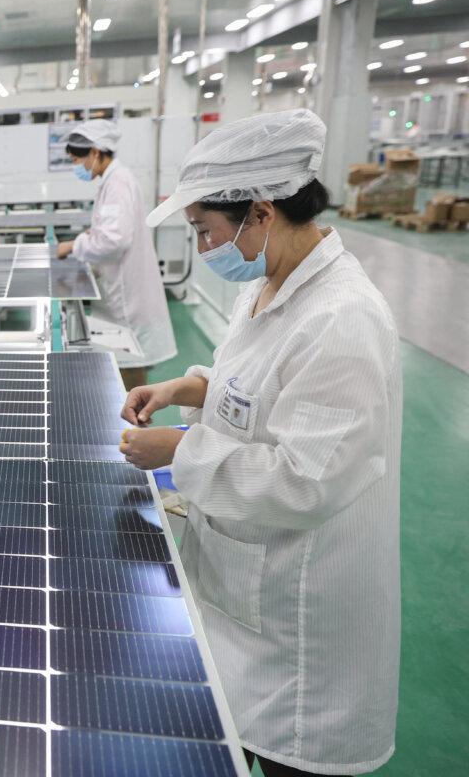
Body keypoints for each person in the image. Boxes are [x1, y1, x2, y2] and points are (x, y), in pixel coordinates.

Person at [120, 109, 400, 777]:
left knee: (287, 757)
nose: (205, 246)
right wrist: (189, 388)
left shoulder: (343, 318)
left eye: (206, 230)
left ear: (259, 212)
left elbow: (306, 479)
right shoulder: (273, 279)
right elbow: (263, 390)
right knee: (234, 734)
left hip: (300, 618)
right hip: (246, 591)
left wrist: (179, 451)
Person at [56, 119, 176, 389]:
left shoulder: (118, 184)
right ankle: (128, 425)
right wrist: (90, 234)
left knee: (129, 364)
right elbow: (110, 230)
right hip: (119, 290)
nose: (78, 167)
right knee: (123, 362)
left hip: (126, 298)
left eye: (78, 160)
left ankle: (134, 428)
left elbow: (113, 241)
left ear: (96, 153)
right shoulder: (113, 181)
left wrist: (74, 245)